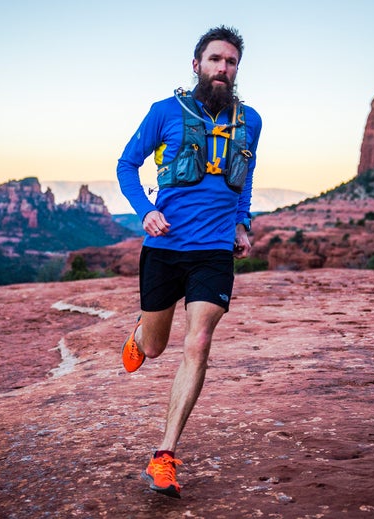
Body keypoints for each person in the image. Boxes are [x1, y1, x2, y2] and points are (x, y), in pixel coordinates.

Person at [116, 25, 262, 499]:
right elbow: (126, 165)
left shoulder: (251, 121)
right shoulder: (164, 113)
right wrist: (147, 211)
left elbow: (246, 176)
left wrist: (243, 223)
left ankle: (164, 456)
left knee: (198, 341)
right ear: (196, 65)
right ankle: (141, 331)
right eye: (215, 59)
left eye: (231, 61)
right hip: (165, 248)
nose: (223, 68)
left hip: (214, 252)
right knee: (156, 349)